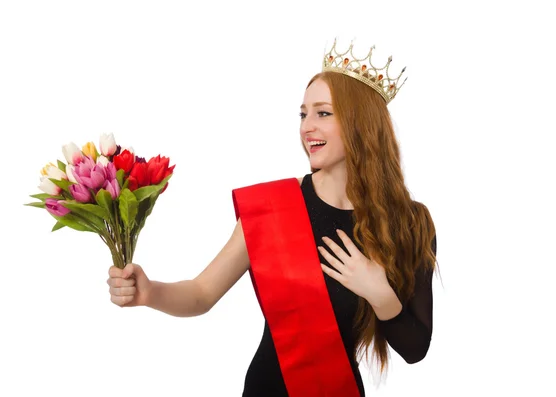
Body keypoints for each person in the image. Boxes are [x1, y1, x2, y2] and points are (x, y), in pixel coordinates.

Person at [107, 39, 438, 397]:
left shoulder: (408, 223)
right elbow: (202, 294)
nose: (307, 126)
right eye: (303, 114)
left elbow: (415, 348)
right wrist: (149, 292)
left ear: (362, 123)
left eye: (323, 113)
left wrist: (380, 293)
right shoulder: (274, 206)